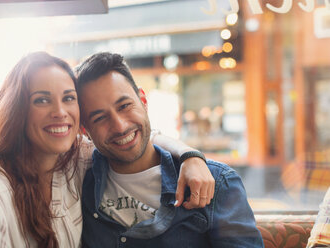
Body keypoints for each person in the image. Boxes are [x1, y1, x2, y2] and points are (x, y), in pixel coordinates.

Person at [0, 52, 215, 248]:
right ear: (17, 111)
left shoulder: (72, 159)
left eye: (69, 98)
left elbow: (137, 135)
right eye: (42, 100)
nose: (60, 112)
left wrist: (190, 156)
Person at [76, 52, 264, 247]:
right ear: (84, 130)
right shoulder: (78, 181)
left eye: (124, 106)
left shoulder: (217, 182)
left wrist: (190, 155)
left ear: (143, 101)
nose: (120, 126)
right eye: (99, 118)